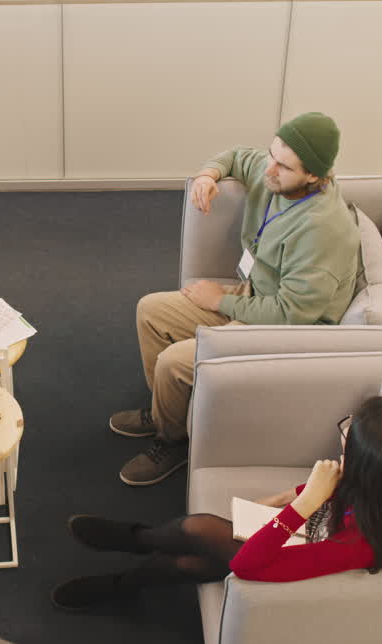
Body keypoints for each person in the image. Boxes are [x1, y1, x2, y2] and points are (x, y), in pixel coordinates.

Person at [110, 112, 361, 486]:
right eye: (272, 154)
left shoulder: (322, 232)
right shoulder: (275, 172)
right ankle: (166, 414)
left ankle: (173, 440)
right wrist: (208, 174)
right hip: (259, 295)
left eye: (283, 165)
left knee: (174, 362)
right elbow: (236, 156)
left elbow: (291, 315)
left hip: (287, 330)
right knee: (151, 310)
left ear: (314, 176)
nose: (269, 169)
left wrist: (219, 302)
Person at [53, 396, 382, 610]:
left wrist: (304, 502)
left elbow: (247, 567)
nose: (341, 441)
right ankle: (132, 559)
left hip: (311, 583)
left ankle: (132, 550)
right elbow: (331, 492)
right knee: (191, 557)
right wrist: (285, 498)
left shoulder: (363, 541)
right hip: (315, 539)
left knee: (196, 533)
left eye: (348, 441)